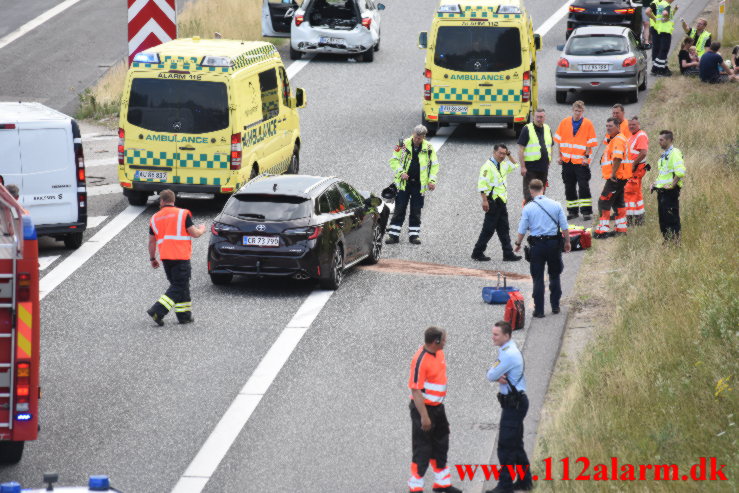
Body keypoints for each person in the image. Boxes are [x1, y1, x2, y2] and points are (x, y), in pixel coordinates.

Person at [407, 327, 461, 493]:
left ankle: (442, 483)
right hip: (424, 410)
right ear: (435, 341)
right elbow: (415, 390)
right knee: (423, 448)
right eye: (443, 340)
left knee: (441, 444)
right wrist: (424, 417)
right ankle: (415, 487)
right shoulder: (420, 360)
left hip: (438, 408)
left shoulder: (439, 353)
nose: (445, 342)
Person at [485, 321, 533, 493]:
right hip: (516, 402)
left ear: (506, 335)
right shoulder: (508, 350)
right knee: (516, 443)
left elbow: (491, 374)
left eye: (496, 334)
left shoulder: (508, 354)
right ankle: (525, 480)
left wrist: (495, 375)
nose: (493, 337)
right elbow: (494, 373)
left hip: (514, 404)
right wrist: (496, 375)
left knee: (505, 445)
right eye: (493, 333)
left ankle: (505, 486)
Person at [147, 190, 205, 326]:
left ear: (161, 201)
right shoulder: (182, 214)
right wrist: (202, 229)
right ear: (173, 200)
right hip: (180, 256)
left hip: (166, 258)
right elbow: (195, 233)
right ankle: (157, 311)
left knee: (181, 286)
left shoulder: (154, 218)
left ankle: (184, 316)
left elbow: (151, 241)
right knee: (179, 286)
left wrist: (152, 258)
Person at [513, 179, 571, 318]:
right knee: (555, 275)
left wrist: (518, 244)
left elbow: (522, 229)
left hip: (537, 246)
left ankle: (539, 310)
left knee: (538, 278)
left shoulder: (528, 208)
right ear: (543, 188)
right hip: (553, 244)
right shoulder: (556, 205)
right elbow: (564, 226)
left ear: (531, 190)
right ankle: (555, 306)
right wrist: (567, 242)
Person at [386, 125, 440, 245]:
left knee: (416, 210)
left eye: (419, 138)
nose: (417, 140)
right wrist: (401, 173)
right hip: (404, 184)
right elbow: (393, 160)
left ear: (424, 137)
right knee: (399, 209)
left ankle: (414, 235)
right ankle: (393, 235)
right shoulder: (402, 145)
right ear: (413, 134)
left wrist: (432, 181)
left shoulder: (429, 148)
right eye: (415, 137)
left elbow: (434, 166)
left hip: (419, 185)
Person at [472, 144, 522, 262]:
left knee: (504, 228)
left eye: (504, 154)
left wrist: (509, 155)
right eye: (500, 153)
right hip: (492, 201)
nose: (502, 156)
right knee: (488, 229)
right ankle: (477, 252)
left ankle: (508, 254)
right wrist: (484, 201)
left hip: (501, 201)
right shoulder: (487, 167)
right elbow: (482, 185)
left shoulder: (503, 164)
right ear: (494, 152)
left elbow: (515, 165)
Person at [554, 100, 598, 221]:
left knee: (583, 186)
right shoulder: (564, 122)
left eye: (580, 111)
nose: (577, 113)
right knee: (569, 186)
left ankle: (586, 211)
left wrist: (586, 157)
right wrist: (560, 156)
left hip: (580, 162)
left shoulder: (588, 124)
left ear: (582, 111)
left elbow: (590, 143)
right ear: (572, 110)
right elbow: (559, 141)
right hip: (567, 161)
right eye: (576, 110)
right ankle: (572, 211)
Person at [594, 118, 631, 238]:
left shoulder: (618, 140)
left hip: (616, 178)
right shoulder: (616, 139)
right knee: (618, 202)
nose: (608, 128)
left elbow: (617, 158)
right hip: (620, 177)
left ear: (617, 127)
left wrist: (613, 174)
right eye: (607, 126)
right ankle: (621, 229)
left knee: (604, 201)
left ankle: (602, 230)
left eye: (610, 126)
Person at [651, 130, 685, 241]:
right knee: (663, 219)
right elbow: (664, 174)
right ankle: (667, 241)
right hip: (662, 191)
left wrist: (672, 185)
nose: (659, 142)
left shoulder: (674, 152)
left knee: (671, 218)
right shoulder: (665, 154)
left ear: (669, 140)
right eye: (659, 140)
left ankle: (675, 242)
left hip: (670, 192)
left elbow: (680, 172)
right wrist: (655, 184)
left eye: (661, 140)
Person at [517, 108, 553, 203]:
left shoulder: (547, 128)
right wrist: (522, 166)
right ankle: (529, 213)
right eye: (537, 117)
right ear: (533, 116)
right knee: (530, 192)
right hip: (530, 167)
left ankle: (539, 212)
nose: (539, 119)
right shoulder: (527, 129)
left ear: (544, 117)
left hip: (543, 166)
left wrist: (549, 160)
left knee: (541, 192)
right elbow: (521, 148)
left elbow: (550, 146)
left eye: (541, 117)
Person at [624, 116, 650, 225]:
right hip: (633, 169)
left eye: (633, 125)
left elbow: (643, 152)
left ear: (638, 125)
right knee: (636, 193)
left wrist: (633, 165)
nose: (631, 126)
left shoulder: (641, 135)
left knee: (630, 193)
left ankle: (630, 220)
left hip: (636, 169)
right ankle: (639, 219)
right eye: (629, 125)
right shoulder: (633, 136)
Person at [647, 0, 677, 76]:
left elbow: (668, 16)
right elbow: (665, 14)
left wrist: (674, 11)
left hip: (658, 28)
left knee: (657, 49)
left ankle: (659, 67)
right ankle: (658, 69)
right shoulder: (665, 4)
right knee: (663, 50)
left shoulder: (658, 3)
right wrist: (657, 19)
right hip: (664, 30)